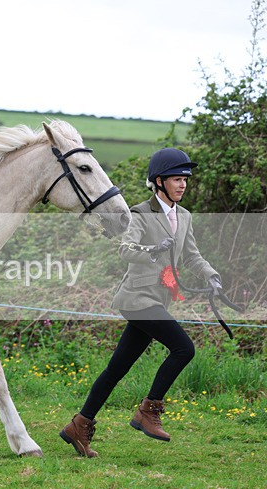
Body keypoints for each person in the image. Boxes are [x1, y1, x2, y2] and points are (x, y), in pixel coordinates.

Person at [60, 148, 223, 458]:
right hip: (137, 298)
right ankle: (148, 410)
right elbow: (126, 249)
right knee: (184, 348)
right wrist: (153, 248)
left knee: (116, 369)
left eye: (185, 180)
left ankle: (79, 426)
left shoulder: (184, 216)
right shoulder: (140, 213)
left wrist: (211, 275)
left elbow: (192, 256)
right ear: (159, 182)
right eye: (177, 179)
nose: (183, 185)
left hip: (157, 299)